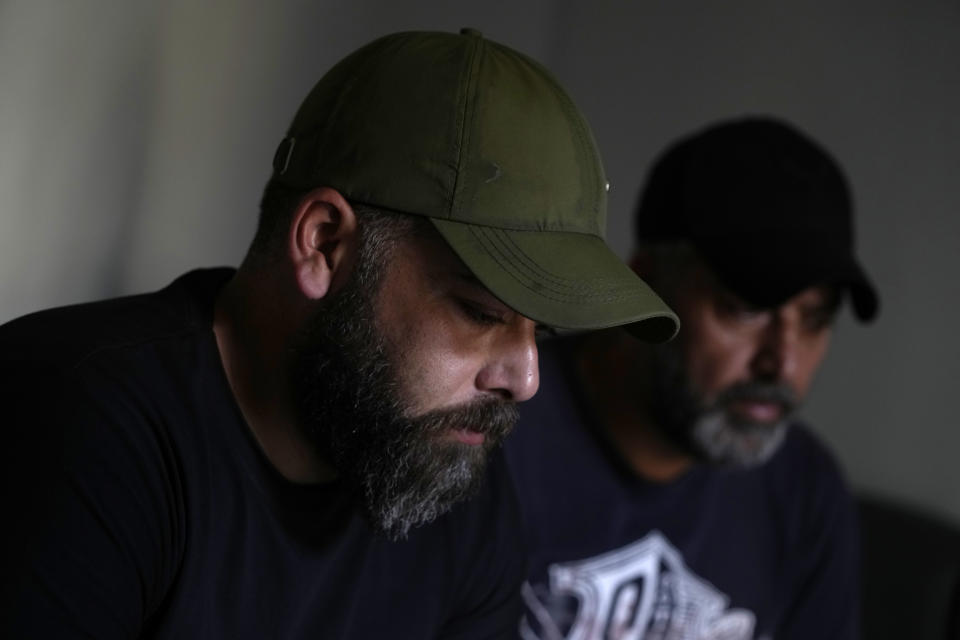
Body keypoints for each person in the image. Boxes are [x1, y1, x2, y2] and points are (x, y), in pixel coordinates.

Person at [0, 29, 679, 639]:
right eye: (481, 313)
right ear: (323, 243)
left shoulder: (449, 488)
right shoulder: (77, 422)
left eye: (543, 329)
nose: (525, 379)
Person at [505, 117, 879, 640]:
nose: (782, 362)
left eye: (815, 319)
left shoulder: (804, 491)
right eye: (745, 309)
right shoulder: (491, 433)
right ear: (643, 287)